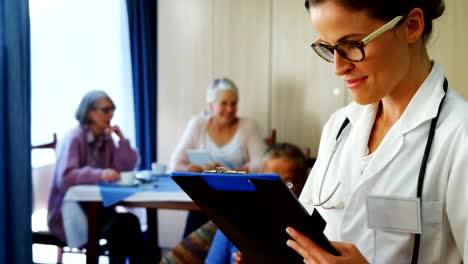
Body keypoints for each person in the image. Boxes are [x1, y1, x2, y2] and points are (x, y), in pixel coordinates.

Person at [282, 0, 468, 263]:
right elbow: (306, 240)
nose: (338, 67)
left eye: (351, 45)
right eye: (329, 48)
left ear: (411, 27)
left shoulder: (460, 135)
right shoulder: (339, 126)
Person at [47, 90, 145, 263]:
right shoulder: (74, 138)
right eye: (106, 109)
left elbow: (125, 168)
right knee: (122, 227)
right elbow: (67, 177)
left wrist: (122, 140)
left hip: (98, 209)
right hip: (71, 213)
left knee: (130, 222)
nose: (111, 114)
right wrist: (101, 174)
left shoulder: (105, 139)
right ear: (89, 112)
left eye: (112, 109)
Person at [169, 78, 267, 237]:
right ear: (210, 105)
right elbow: (175, 162)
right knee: (197, 221)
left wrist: (230, 173)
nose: (229, 109)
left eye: (234, 103)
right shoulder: (197, 124)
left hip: (237, 197)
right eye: (224, 103)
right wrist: (189, 168)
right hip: (205, 196)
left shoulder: (248, 125)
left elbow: (262, 163)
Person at [206, 143, 309, 264]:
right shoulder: (234, 219)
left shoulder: (307, 232)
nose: (277, 193)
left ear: (305, 182)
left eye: (288, 184)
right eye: (268, 182)